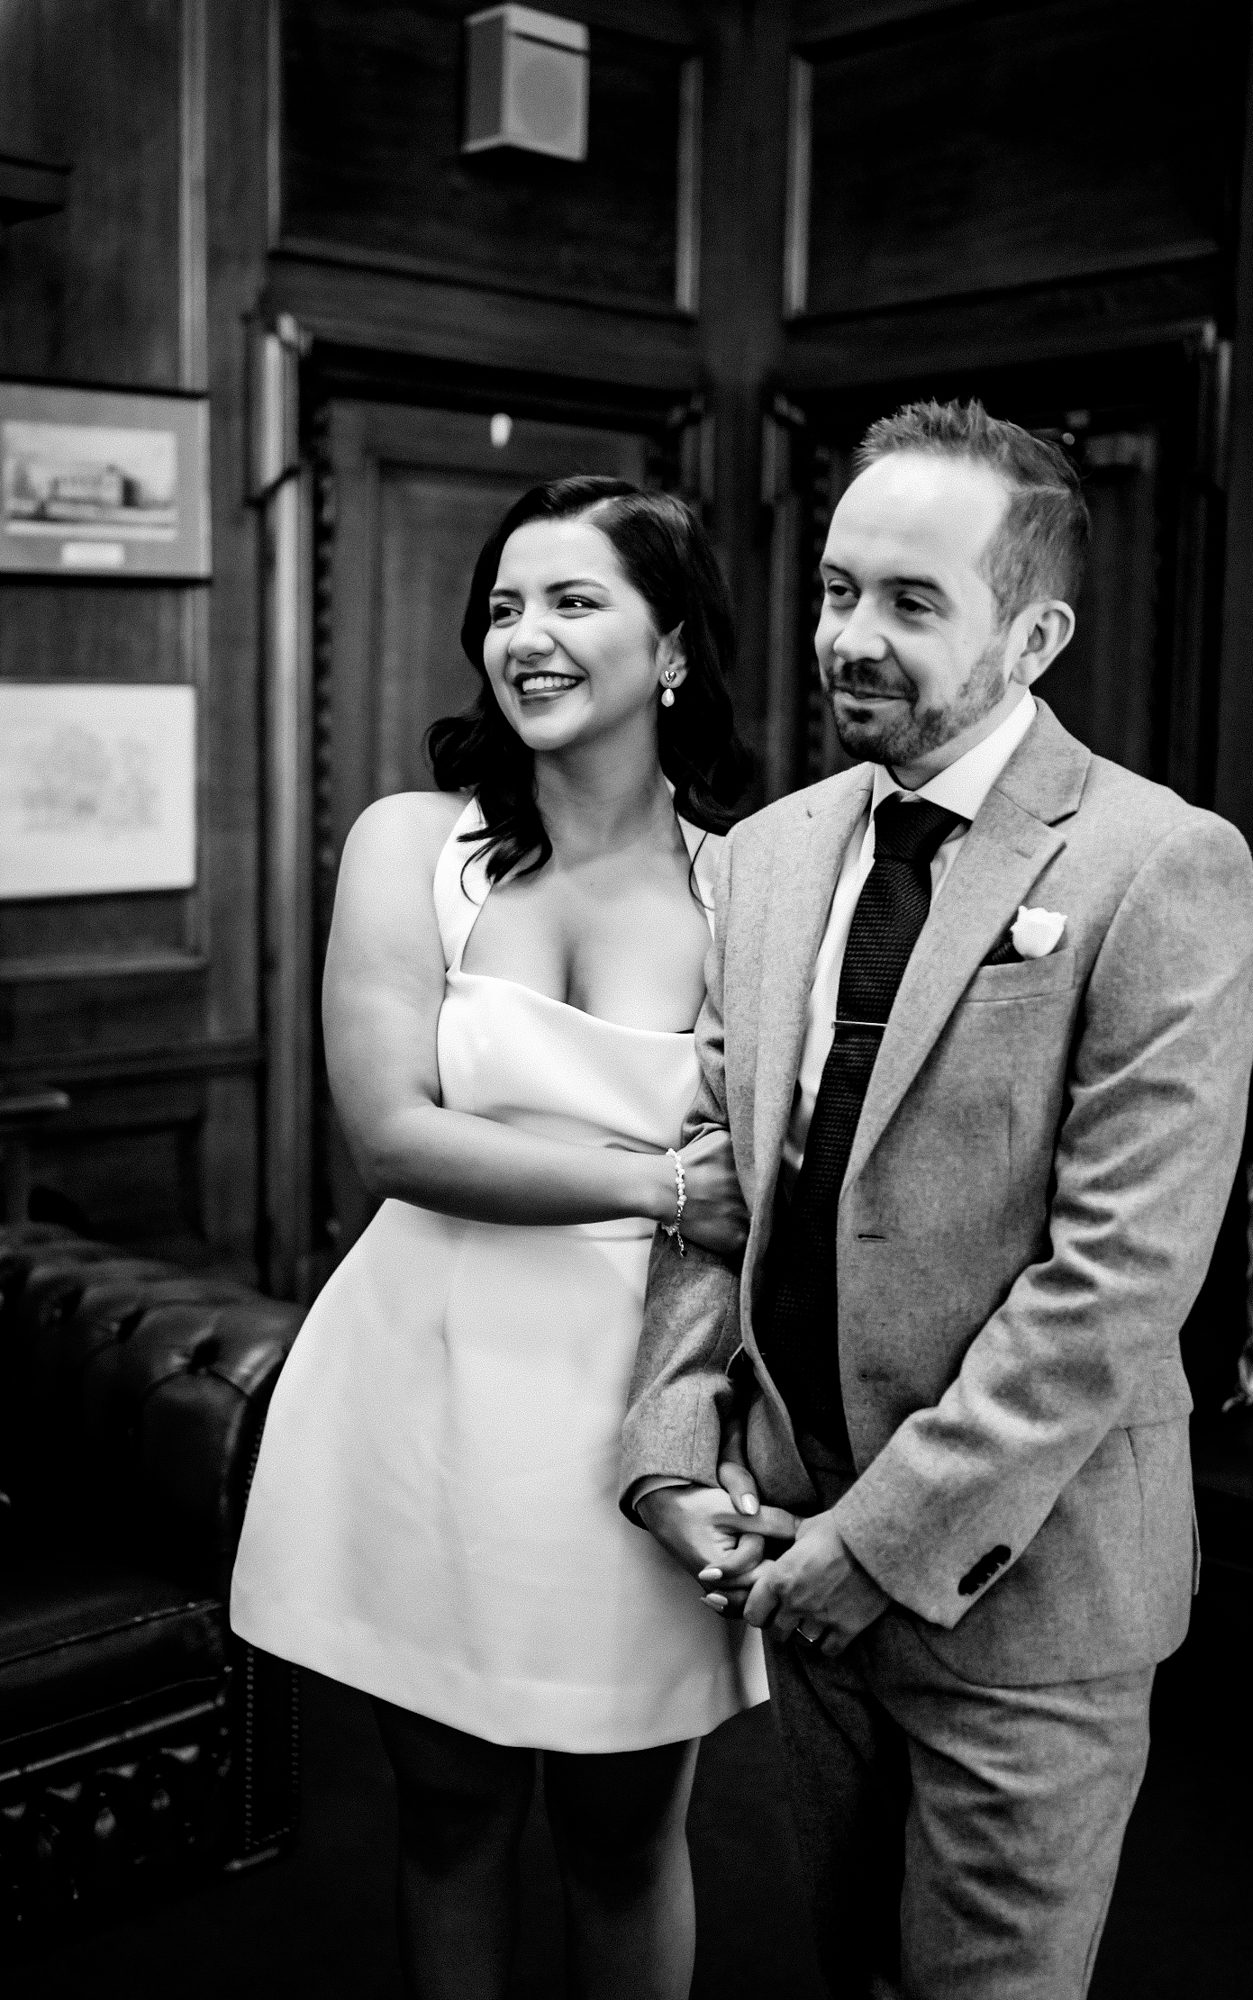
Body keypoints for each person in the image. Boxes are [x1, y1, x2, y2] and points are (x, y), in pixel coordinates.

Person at [622, 400, 1253, 2000]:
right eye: (840, 589)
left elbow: (1117, 1280)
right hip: (788, 1545)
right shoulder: (766, 855)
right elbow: (718, 1186)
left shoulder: (1160, 864)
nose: (851, 635)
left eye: (912, 602)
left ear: (1032, 635)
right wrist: (670, 1450)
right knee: (849, 1970)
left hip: (1027, 1586)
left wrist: (881, 1542)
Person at [231, 476, 784, 2000]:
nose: (525, 636)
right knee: (449, 1817)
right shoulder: (415, 845)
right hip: (429, 1381)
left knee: (626, 1835)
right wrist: (661, 1185)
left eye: (573, 601)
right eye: (502, 607)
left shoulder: (750, 887)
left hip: (637, 1404)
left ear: (673, 648)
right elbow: (392, 1136)